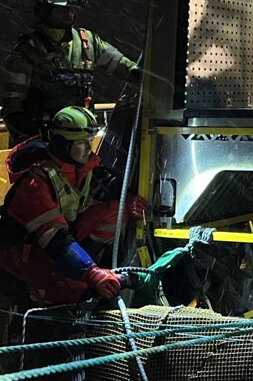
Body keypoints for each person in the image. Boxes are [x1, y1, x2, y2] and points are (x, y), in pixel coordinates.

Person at [0, 106, 147, 305]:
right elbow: (56, 241)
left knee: (115, 211)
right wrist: (91, 274)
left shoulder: (78, 166)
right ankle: (51, 293)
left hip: (54, 243)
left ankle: (80, 270)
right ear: (62, 144)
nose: (89, 148)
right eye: (82, 143)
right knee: (73, 291)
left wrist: (130, 202)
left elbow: (106, 187)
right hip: (23, 255)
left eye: (90, 142)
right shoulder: (35, 183)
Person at [0, 0, 139, 146]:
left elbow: (125, 68)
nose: (68, 15)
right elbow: (13, 107)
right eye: (61, 10)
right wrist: (31, 144)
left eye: (72, 10)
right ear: (45, 11)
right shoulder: (28, 52)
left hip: (81, 145)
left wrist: (153, 81)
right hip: (44, 144)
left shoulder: (87, 43)